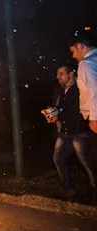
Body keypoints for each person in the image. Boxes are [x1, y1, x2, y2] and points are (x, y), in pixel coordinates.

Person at [42, 65, 95, 199]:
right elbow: (60, 108)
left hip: (80, 132)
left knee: (88, 164)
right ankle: (69, 189)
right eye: (57, 73)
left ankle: (94, 191)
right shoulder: (60, 90)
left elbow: (78, 111)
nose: (58, 76)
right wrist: (51, 112)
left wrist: (58, 116)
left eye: (61, 74)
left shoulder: (79, 89)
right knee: (59, 159)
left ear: (71, 74)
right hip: (65, 132)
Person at [69, 31, 97, 174]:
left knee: (94, 163)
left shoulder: (86, 64)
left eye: (73, 51)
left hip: (96, 120)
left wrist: (94, 119)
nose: (73, 56)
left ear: (80, 46)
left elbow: (94, 91)